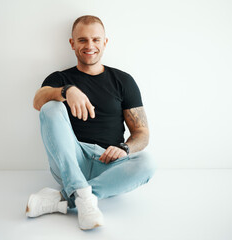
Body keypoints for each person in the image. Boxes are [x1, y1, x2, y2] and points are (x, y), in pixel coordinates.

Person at [26, 15, 156, 230]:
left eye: (96, 40)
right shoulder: (59, 78)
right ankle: (82, 196)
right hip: (71, 160)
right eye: (83, 40)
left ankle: (68, 197)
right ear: (72, 43)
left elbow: (142, 133)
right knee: (51, 106)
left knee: (147, 163)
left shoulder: (123, 80)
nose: (90, 46)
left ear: (105, 42)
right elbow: (38, 101)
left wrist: (124, 148)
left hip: (109, 163)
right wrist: (67, 91)